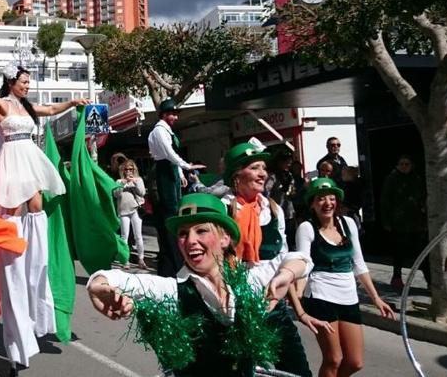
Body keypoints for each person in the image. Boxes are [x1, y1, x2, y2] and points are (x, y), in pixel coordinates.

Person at [86, 193, 309, 376]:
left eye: (201, 230)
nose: (190, 240)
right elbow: (118, 278)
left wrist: (286, 275)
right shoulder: (172, 291)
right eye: (183, 234)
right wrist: (99, 284)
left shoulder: (250, 281)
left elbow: (300, 259)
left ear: (225, 240)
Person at [0, 64, 89, 375]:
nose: (28, 86)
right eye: (24, 82)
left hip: (30, 161)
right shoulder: (3, 104)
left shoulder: (28, 106)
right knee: (16, 207)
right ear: (11, 82)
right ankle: (14, 243)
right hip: (12, 163)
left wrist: (72, 103)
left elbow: (50, 108)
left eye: (29, 82)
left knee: (37, 204)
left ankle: (33, 246)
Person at [222, 139, 313, 377]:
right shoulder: (223, 210)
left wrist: (297, 309)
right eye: (254, 167)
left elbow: (282, 264)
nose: (262, 173)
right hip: (237, 312)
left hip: (274, 307)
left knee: (299, 372)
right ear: (236, 175)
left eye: (264, 168)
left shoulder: (273, 209)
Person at [291, 178, 395, 377]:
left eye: (332, 198)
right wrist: (297, 295)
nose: (327, 203)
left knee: (355, 362)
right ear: (312, 203)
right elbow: (303, 264)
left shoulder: (347, 224)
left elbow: (359, 264)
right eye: (321, 199)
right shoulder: (307, 228)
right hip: (321, 295)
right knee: (334, 359)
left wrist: (376, 298)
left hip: (348, 295)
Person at [147, 98, 205, 277]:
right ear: (163, 115)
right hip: (164, 172)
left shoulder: (167, 130)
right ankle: (174, 265)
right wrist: (187, 166)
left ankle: (172, 266)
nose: (175, 117)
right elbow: (168, 153)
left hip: (170, 171)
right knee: (169, 215)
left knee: (174, 213)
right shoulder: (159, 131)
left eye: (175, 114)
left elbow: (173, 156)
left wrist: (180, 174)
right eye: (171, 114)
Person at [380, 154, 429, 290]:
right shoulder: (392, 179)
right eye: (401, 164)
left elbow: (423, 197)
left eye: (407, 164)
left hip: (416, 222)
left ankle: (430, 281)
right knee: (398, 252)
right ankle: (396, 277)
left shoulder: (417, 179)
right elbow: (385, 201)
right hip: (399, 221)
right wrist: (387, 221)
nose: (404, 167)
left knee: (423, 253)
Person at [113, 159, 147, 269]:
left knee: (138, 236)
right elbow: (116, 195)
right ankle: (125, 260)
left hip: (135, 210)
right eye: (126, 169)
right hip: (123, 212)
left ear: (134, 170)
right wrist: (123, 185)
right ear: (122, 170)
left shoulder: (138, 179)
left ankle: (141, 259)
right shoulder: (118, 181)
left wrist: (135, 183)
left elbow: (142, 193)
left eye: (131, 169)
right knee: (124, 237)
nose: (128, 171)